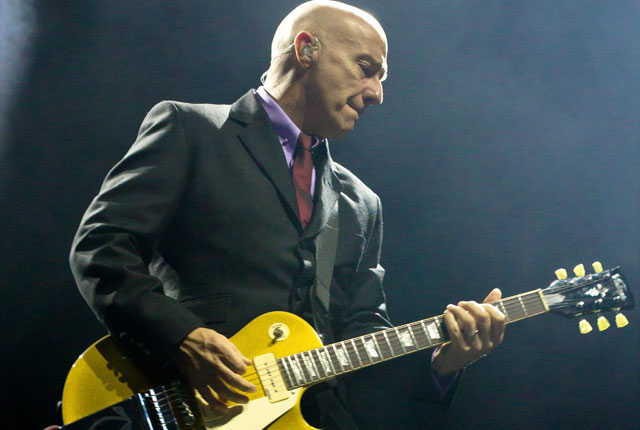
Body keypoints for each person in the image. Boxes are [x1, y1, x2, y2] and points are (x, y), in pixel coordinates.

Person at [68, 1, 506, 429]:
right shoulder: (192, 130)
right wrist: (182, 337)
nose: (377, 93)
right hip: (182, 403)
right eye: (366, 67)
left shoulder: (361, 203)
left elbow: (361, 337)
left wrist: (441, 361)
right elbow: (102, 249)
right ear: (306, 49)